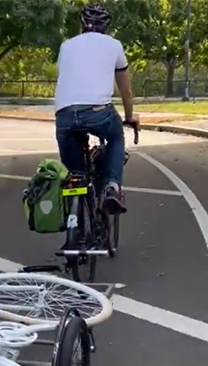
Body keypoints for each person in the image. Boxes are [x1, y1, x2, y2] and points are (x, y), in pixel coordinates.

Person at [54, 3, 138, 214]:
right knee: (117, 136)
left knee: (75, 174)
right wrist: (129, 116)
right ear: (106, 27)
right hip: (98, 113)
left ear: (81, 25)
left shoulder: (66, 46)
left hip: (64, 115)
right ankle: (112, 186)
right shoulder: (114, 45)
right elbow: (125, 91)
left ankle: (74, 222)